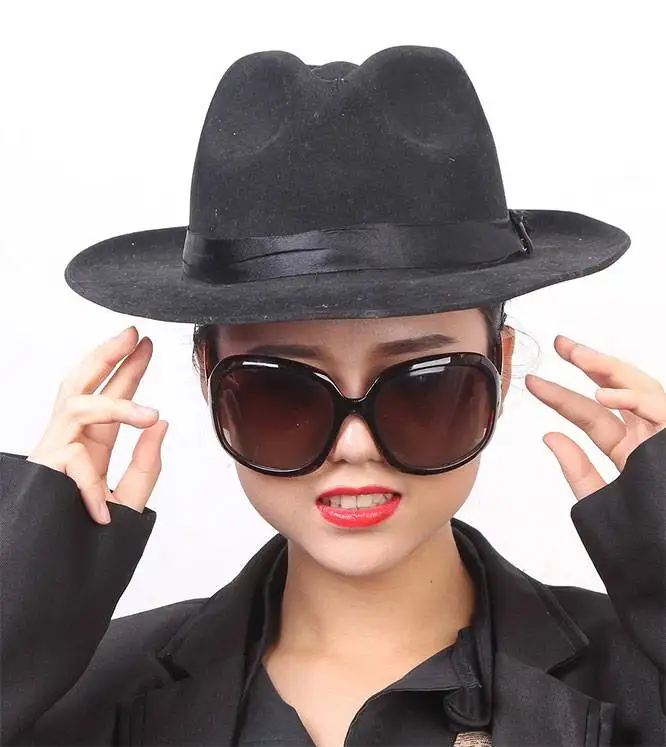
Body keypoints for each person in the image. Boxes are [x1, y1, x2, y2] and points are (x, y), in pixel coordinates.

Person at [1, 45, 664, 747]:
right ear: (208, 377)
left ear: (497, 369)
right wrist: (17, 604)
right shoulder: (78, 701)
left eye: (425, 385)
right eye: (280, 392)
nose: (356, 446)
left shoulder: (644, 681)